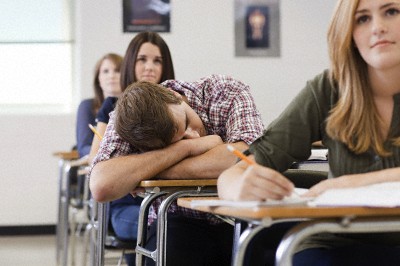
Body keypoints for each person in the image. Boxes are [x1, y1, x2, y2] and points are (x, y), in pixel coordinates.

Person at [218, 0, 400, 265]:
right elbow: (233, 175)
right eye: (362, 18)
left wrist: (347, 185)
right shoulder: (327, 90)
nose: (378, 28)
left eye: (391, 12)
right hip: (332, 243)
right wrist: (239, 188)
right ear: (348, 32)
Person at [90, 75, 264, 265]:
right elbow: (102, 184)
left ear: (175, 95)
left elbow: (247, 157)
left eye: (187, 122)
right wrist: (186, 149)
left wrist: (149, 168)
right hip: (177, 219)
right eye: (178, 141)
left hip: (240, 215)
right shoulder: (129, 118)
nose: (194, 136)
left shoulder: (226, 91)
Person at [87, 31, 175, 266]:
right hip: (126, 206)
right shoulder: (112, 106)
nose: (150, 67)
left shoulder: (175, 105)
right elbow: (94, 162)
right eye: (142, 59)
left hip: (168, 201)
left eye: (157, 61)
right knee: (164, 229)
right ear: (130, 63)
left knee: (182, 226)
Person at [76, 53, 123, 158]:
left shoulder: (134, 108)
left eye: (117, 71)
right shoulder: (87, 106)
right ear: (98, 79)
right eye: (105, 71)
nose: (111, 76)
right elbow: (83, 147)